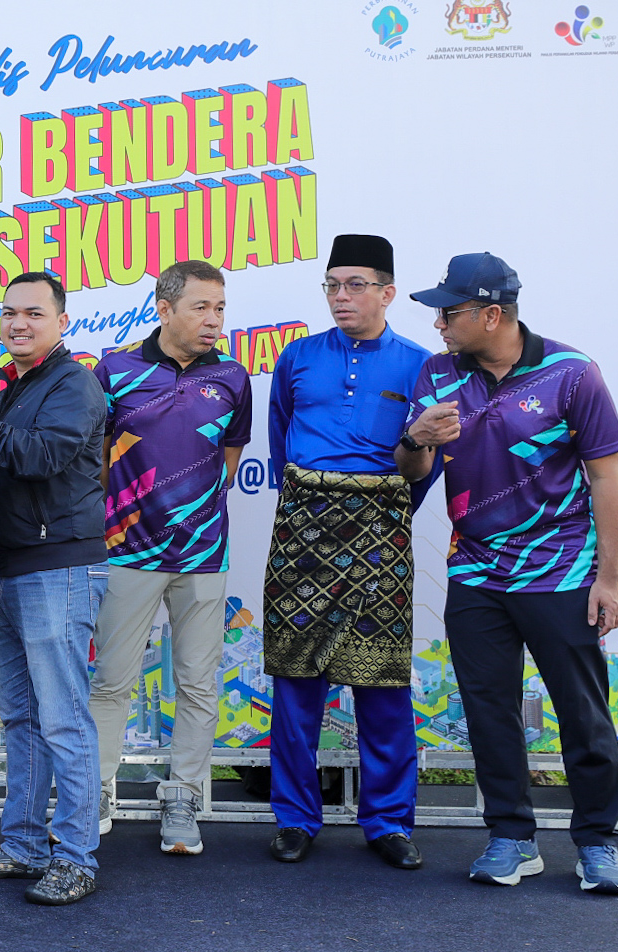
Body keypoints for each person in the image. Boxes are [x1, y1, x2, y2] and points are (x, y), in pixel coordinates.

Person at [398, 252, 618, 896]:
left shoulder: (572, 373)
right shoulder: (437, 373)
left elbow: (606, 478)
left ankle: (598, 842)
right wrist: (416, 438)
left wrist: (608, 579)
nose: (438, 324)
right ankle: (511, 838)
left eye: (449, 312)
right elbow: (413, 472)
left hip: (562, 574)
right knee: (489, 711)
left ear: (490, 314)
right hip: (474, 573)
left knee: (583, 712)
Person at [0, 271, 108, 906]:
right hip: (9, 570)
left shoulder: (73, 383)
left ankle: (77, 858)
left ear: (62, 322)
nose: (18, 323)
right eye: (9, 313)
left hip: (59, 570)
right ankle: (24, 847)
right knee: (23, 720)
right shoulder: (14, 393)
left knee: (64, 721)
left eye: (33, 312)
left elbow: (40, 456)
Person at [262, 234, 432, 870]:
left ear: (387, 293)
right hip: (303, 530)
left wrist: (385, 512)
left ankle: (388, 822)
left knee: (382, 686)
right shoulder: (298, 357)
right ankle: (294, 818)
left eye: (355, 285)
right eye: (332, 285)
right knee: (295, 683)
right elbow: (279, 439)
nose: (341, 296)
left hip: (381, 533)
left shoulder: (420, 365)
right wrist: (307, 505)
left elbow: (427, 461)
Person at [89, 260, 251, 854]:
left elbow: (228, 462)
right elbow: (98, 459)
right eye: (200, 307)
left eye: (220, 308)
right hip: (127, 552)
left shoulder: (233, 377)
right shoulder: (114, 370)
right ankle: (95, 791)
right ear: (164, 309)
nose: (213, 320)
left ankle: (182, 796)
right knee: (112, 681)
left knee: (198, 684)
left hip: (204, 555)